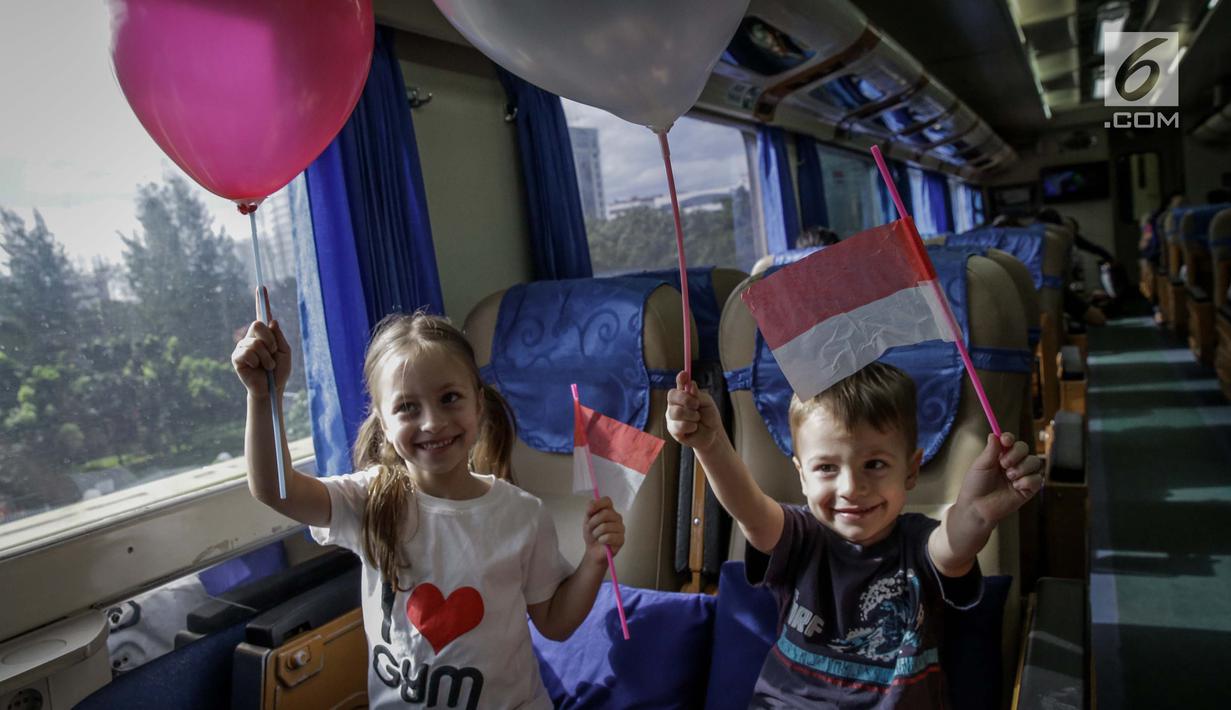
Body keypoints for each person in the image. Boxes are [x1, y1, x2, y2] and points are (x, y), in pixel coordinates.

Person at [232, 299, 625, 709]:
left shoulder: (522, 514)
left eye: (449, 398)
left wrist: (595, 559)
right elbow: (275, 489)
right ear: (383, 424)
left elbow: (556, 623)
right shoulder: (369, 499)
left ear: (478, 401)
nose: (432, 422)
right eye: (407, 408)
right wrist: (264, 397)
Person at [666, 363, 1042, 707]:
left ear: (911, 470)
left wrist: (977, 512)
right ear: (801, 476)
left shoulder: (920, 545)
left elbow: (955, 543)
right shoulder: (800, 536)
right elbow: (748, 508)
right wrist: (710, 443)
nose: (851, 487)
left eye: (875, 464)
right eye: (827, 467)